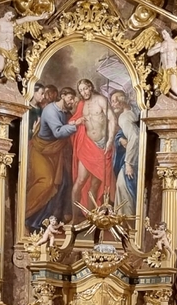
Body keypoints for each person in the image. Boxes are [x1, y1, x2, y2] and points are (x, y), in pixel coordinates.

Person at [26, 87, 79, 230]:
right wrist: (75, 125)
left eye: (73, 99)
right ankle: (26, 214)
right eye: (70, 98)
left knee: (60, 183)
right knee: (46, 182)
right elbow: (58, 132)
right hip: (41, 151)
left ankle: (43, 221)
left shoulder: (66, 113)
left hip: (55, 153)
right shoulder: (50, 110)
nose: (72, 101)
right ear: (62, 96)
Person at [0, 7, 50, 97]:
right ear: (4, 13)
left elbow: (26, 19)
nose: (10, 17)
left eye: (11, 16)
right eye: (9, 15)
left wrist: (40, 17)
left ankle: (8, 85)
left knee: (15, 70)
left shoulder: (12, 23)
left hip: (11, 49)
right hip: (1, 48)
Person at [70, 79, 117, 212]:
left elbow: (112, 119)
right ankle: (74, 218)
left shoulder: (101, 100)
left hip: (102, 146)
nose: (84, 92)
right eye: (81, 90)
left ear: (90, 87)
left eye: (85, 88)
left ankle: (91, 217)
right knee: (80, 181)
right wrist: (77, 122)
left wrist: (110, 141)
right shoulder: (81, 104)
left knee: (95, 184)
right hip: (87, 145)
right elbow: (73, 121)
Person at [110, 90, 139, 214]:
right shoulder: (133, 111)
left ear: (121, 102)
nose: (112, 105)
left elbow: (135, 137)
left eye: (114, 101)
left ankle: (126, 221)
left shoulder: (124, 117)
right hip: (134, 157)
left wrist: (128, 164)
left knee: (123, 186)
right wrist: (120, 138)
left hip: (132, 160)